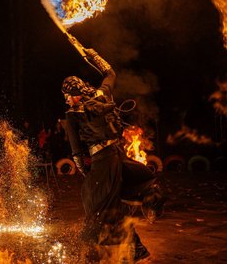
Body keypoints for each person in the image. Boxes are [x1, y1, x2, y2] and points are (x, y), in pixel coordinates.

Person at [62, 48, 163, 262]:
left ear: (75, 94)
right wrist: (94, 55)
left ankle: (99, 255)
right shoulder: (102, 95)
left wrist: (85, 173)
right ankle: (140, 237)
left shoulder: (72, 114)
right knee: (126, 193)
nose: (66, 100)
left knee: (97, 208)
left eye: (67, 96)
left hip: (102, 163)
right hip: (117, 156)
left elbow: (76, 152)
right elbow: (110, 74)